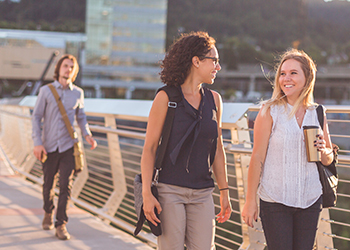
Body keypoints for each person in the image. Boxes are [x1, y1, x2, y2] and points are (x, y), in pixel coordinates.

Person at [141, 31, 232, 250]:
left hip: (202, 193)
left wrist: (225, 191)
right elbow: (150, 148)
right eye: (214, 61)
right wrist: (146, 194)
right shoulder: (166, 98)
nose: (218, 67)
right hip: (169, 190)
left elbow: (217, 148)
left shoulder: (215, 100)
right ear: (196, 61)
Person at [241, 49, 334, 250]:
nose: (286, 78)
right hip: (275, 199)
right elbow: (257, 157)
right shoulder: (269, 110)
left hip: (310, 198)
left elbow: (328, 158)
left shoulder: (317, 112)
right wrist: (250, 201)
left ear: (307, 77)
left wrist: (323, 150)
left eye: (293, 73)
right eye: (282, 73)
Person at [32, 54, 97, 240]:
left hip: (69, 146)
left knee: (65, 186)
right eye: (65, 65)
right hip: (49, 146)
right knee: (47, 185)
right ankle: (47, 211)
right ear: (59, 68)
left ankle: (61, 224)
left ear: (74, 71)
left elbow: (81, 117)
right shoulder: (46, 91)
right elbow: (36, 117)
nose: (68, 69)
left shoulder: (78, 93)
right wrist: (37, 142)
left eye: (71, 67)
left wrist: (87, 135)